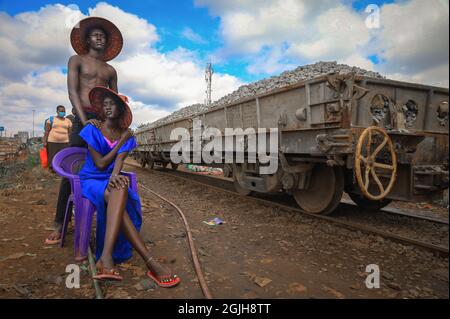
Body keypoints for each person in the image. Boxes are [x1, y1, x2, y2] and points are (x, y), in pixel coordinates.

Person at [79, 86, 180, 287]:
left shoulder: (128, 136)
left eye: (112, 104)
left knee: (120, 184)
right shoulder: (92, 128)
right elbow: (100, 164)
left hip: (108, 179)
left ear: (121, 110)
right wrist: (120, 143)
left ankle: (105, 259)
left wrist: (115, 177)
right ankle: (148, 261)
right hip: (91, 179)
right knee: (119, 190)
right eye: (105, 104)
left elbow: (117, 165)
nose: (107, 107)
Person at [45, 17, 122, 244]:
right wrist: (83, 120)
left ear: (107, 42)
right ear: (87, 39)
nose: (99, 38)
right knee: (72, 169)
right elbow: (72, 92)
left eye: (103, 36)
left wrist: (113, 126)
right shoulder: (76, 60)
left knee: (105, 167)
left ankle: (105, 219)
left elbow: (115, 99)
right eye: (95, 35)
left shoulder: (110, 70)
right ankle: (60, 222)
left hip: (103, 121)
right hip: (82, 119)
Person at [43, 105, 72, 170]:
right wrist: (44, 141)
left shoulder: (68, 121)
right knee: (52, 156)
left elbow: (70, 132)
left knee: (63, 156)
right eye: (61, 111)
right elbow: (46, 131)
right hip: (52, 142)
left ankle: (61, 170)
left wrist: (69, 141)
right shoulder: (51, 119)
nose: (63, 112)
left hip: (65, 142)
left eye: (64, 111)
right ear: (57, 111)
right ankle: (52, 170)